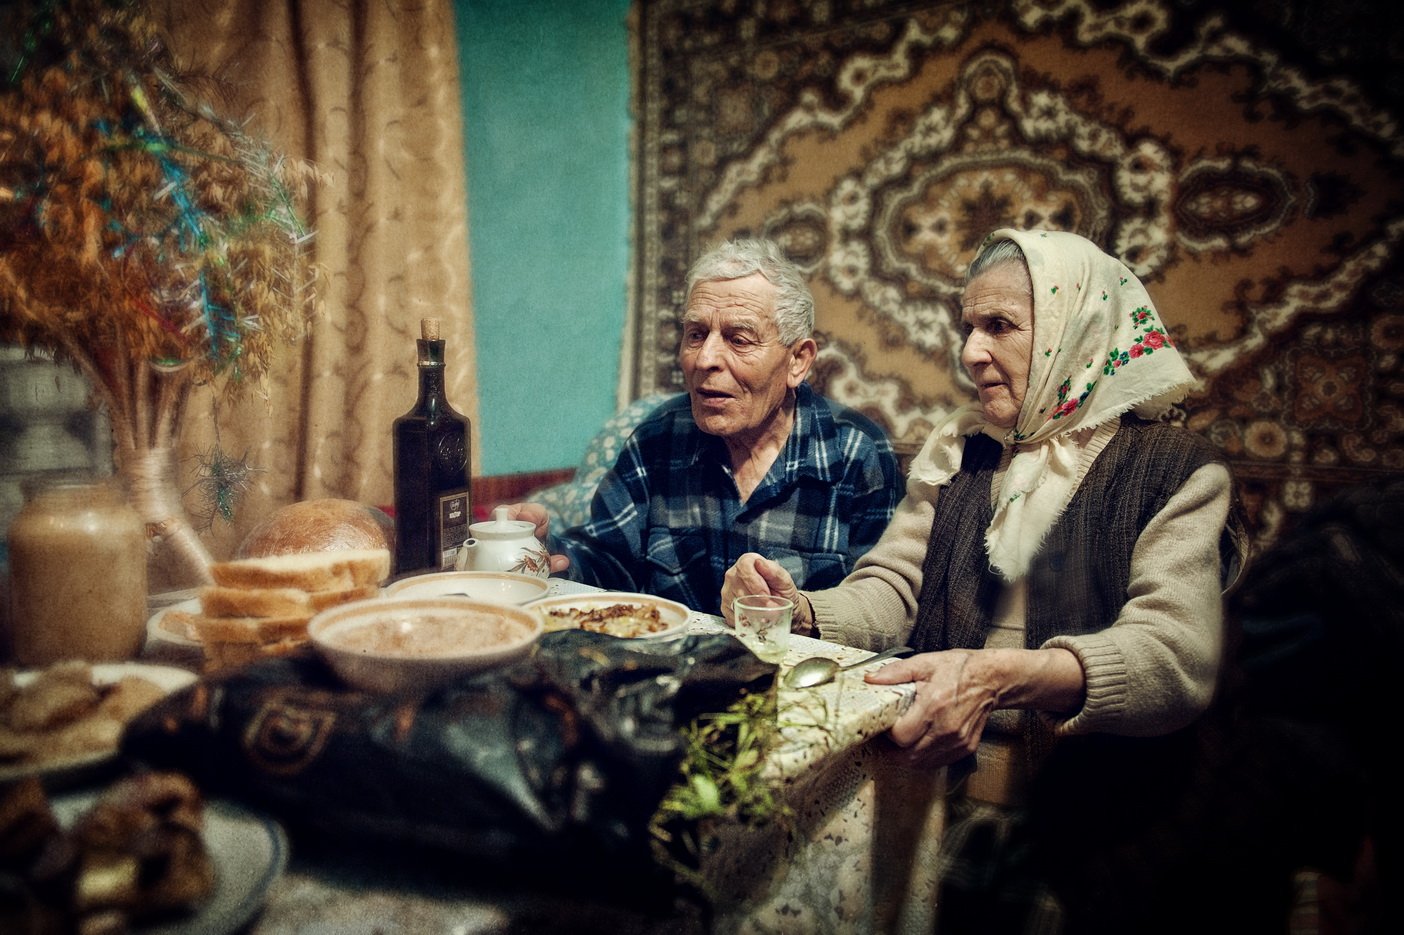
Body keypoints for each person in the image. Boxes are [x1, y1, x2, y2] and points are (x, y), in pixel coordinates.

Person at [722, 228, 1239, 932]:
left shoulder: (1175, 471)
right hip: (941, 802)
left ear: (1076, 330)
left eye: (999, 326)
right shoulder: (962, 454)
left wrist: (1000, 676)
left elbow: (1176, 656)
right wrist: (801, 607)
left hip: (1099, 832)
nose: (970, 351)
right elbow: (895, 590)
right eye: (968, 326)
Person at [510, 237, 900, 616]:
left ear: (798, 360)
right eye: (696, 335)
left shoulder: (856, 452)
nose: (704, 359)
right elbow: (608, 560)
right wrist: (541, 550)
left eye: (739, 339)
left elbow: (875, 607)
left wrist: (800, 613)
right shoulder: (659, 437)